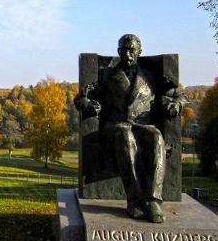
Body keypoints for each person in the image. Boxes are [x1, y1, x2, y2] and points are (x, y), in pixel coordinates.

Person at [76, 34, 184, 223]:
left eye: (131, 50)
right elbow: (81, 97)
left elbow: (180, 95)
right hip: (115, 127)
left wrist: (176, 105)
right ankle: (133, 200)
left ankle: (153, 200)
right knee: (125, 135)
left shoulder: (151, 77)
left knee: (157, 136)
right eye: (123, 50)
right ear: (118, 52)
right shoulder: (107, 76)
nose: (127, 54)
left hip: (142, 126)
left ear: (139, 52)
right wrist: (87, 104)